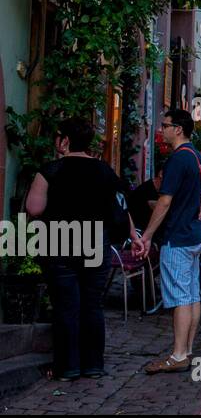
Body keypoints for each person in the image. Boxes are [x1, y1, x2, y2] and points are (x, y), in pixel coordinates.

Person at [24, 118, 130, 381]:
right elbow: (120, 207)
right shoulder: (104, 171)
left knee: (66, 305)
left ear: (65, 141)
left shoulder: (51, 170)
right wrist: (134, 235)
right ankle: (93, 363)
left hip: (60, 242)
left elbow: (34, 208)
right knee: (92, 304)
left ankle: (67, 366)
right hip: (95, 242)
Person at [134, 109, 201, 373]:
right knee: (191, 295)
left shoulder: (178, 159)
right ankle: (187, 350)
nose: (162, 130)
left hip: (177, 236)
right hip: (194, 235)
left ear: (178, 129)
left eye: (165, 125)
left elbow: (164, 201)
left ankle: (178, 354)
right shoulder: (197, 158)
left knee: (180, 297)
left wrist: (147, 235)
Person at [128, 165, 162, 235]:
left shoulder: (159, 190)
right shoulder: (147, 189)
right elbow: (159, 208)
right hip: (137, 233)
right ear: (161, 174)